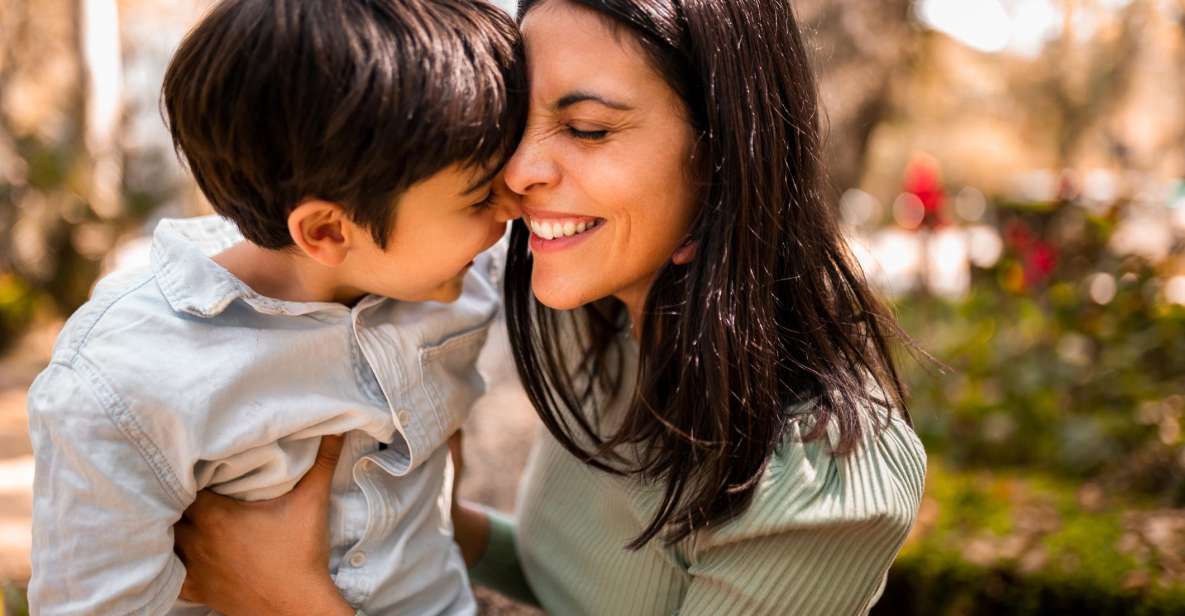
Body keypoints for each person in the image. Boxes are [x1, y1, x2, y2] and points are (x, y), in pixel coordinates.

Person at [175, 1, 928, 614]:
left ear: (724, 155)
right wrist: (407, 517)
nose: (516, 171)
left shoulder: (826, 479)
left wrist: (282, 595)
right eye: (511, 125)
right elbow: (580, 584)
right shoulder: (594, 320)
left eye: (587, 129)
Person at [25, 0, 525, 614]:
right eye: (479, 198)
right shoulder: (131, 384)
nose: (512, 208)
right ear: (327, 232)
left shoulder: (450, 287)